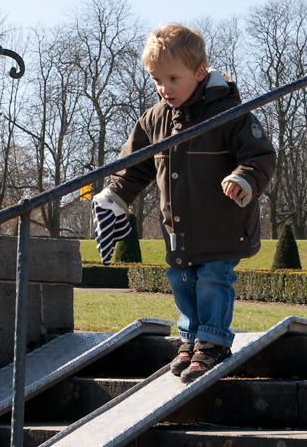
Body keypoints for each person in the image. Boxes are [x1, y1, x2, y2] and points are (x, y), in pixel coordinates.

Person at [93, 24, 275, 383]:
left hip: (221, 223)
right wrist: (114, 194)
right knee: (182, 280)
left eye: (173, 78)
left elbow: (260, 157)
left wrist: (243, 179)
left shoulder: (230, 113)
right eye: (157, 80)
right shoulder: (154, 119)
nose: (164, 88)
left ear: (200, 72)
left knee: (212, 280)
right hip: (178, 228)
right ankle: (190, 340)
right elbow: (135, 166)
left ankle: (213, 342)